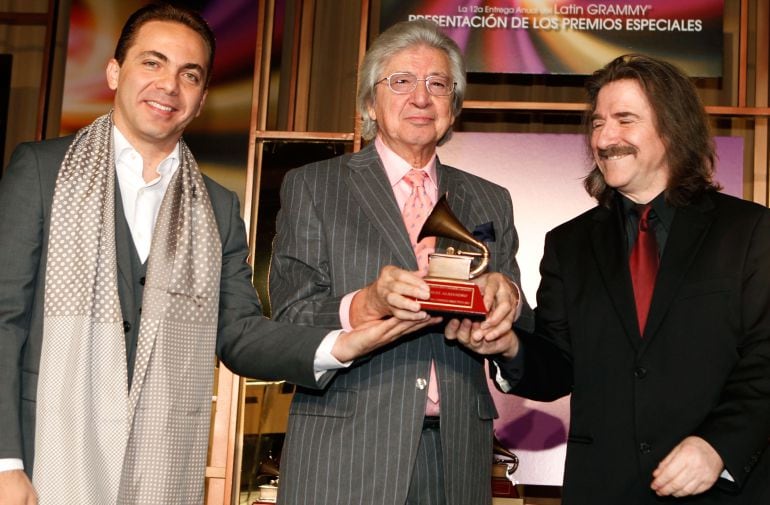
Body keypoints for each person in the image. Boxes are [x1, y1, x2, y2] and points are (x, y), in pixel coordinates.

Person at [0, 4, 429, 504]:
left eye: (189, 74)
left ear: (201, 99)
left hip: (158, 465)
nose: (168, 85)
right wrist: (5, 462)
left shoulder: (218, 208)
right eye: (152, 63)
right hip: (41, 456)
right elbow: (4, 320)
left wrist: (341, 345)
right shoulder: (40, 171)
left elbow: (239, 334)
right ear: (115, 71)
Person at [268, 19, 534, 505]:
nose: (421, 98)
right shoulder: (314, 186)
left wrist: (506, 309)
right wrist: (364, 303)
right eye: (402, 82)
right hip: (344, 448)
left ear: (452, 111)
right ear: (370, 102)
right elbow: (289, 319)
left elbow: (524, 334)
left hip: (456, 454)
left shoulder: (490, 199)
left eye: (438, 85)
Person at [503, 54, 770, 504]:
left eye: (625, 120)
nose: (605, 138)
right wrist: (507, 346)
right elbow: (556, 367)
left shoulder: (750, 232)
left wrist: (718, 446)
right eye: (597, 123)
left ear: (673, 127)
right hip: (605, 489)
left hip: (722, 491)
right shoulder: (568, 245)